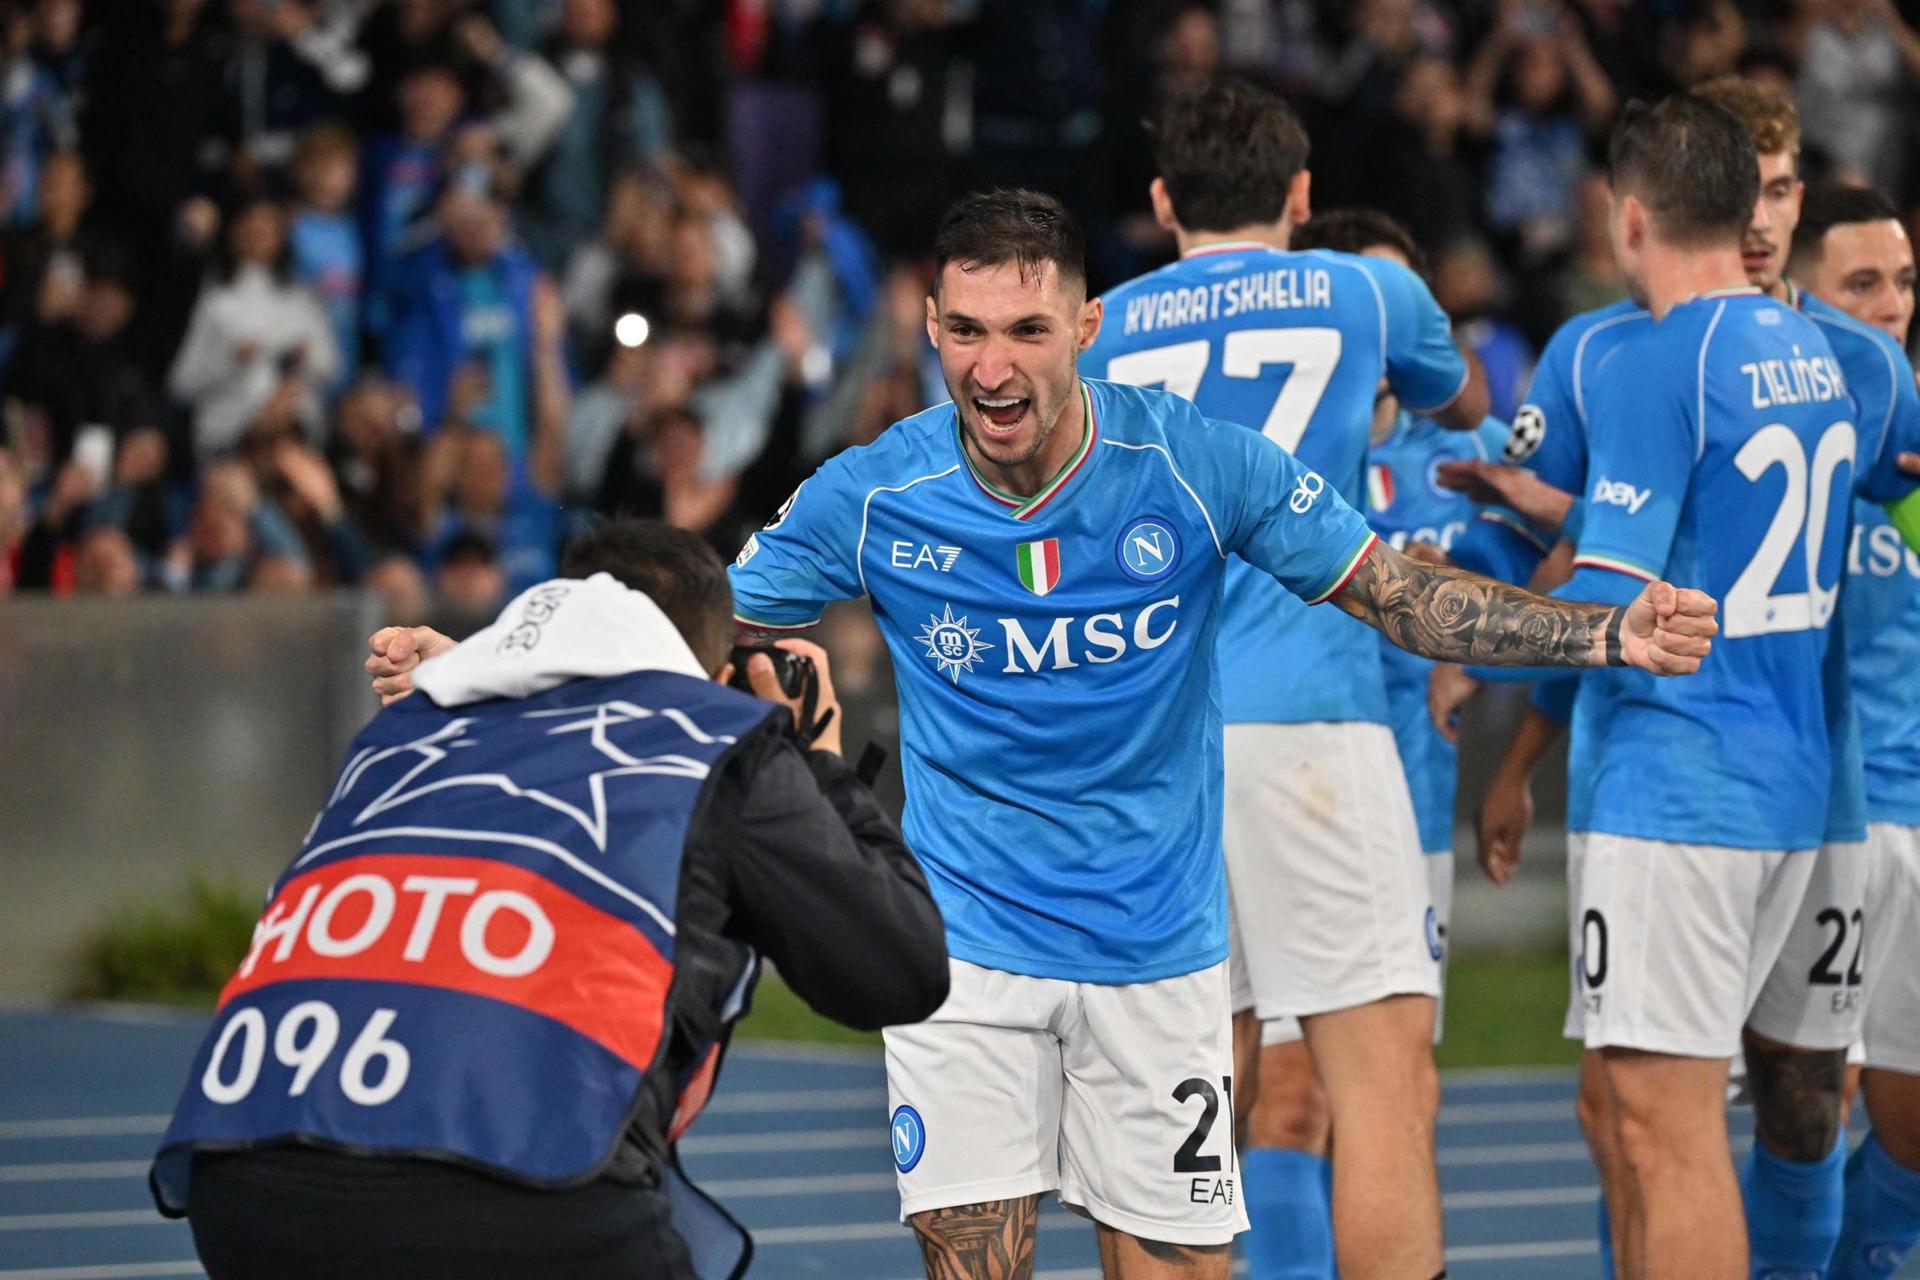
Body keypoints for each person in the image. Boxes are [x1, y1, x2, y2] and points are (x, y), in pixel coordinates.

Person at [369, 189, 1719, 1280]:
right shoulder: (875, 490)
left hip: (1158, 950)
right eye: (963, 331)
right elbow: (687, 614)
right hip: (964, 954)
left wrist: (1605, 633)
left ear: (1085, 327)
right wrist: (481, 658)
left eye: (1023, 329)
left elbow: (1403, 596)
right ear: (932, 333)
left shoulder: (1194, 463)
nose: (990, 365)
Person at [151, 517, 950, 1280]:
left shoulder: (398, 736)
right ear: (711, 671)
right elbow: (900, 968)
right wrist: (814, 761)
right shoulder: (711, 737)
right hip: (520, 1191)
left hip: (242, 1177)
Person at [1442, 79, 1920, 1278]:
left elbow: (1611, 602)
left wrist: (1449, 623)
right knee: (1678, 1122)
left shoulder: (1657, 358)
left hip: (1680, 784)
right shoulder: (1828, 355)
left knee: (1669, 1135)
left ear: (1629, 216)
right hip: (1802, 789)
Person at [1080, 76, 1495, 1280]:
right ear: (1302, 195)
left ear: (1162, 200)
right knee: (1378, 1087)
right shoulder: (1363, 287)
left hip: (1153, 746)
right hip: (1312, 721)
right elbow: (1440, 397)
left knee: (1175, 1095)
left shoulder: (1101, 329)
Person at [1787, 182, 1920, 1280]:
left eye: (1905, 281)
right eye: (1862, 283)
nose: (1890, 305)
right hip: (1820, 809)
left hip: (1918, 817)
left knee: (1913, 1130)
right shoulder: (1772, 433)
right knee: (1804, 1107)